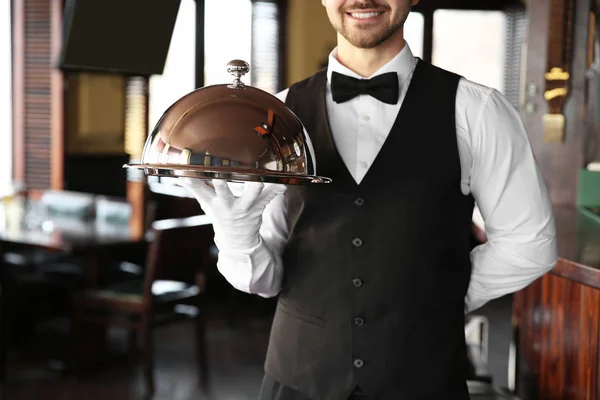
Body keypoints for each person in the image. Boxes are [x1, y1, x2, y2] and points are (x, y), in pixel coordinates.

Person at [180, 0, 558, 399]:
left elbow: (530, 244)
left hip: (424, 379)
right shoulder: (277, 117)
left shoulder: (478, 111)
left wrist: (445, 294)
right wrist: (237, 237)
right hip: (297, 379)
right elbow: (264, 279)